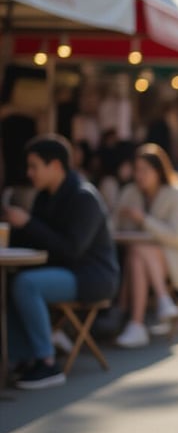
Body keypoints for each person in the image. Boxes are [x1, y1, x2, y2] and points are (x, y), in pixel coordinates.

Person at [3, 134, 119, 388]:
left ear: (55, 165)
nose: (29, 173)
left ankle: (47, 362)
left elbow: (71, 250)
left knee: (26, 284)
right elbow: (38, 242)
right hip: (63, 271)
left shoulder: (84, 197)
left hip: (92, 277)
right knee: (11, 280)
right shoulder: (44, 197)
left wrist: (29, 223)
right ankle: (23, 357)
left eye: (34, 166)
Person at [112, 144, 178, 348]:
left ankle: (136, 321)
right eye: (136, 170)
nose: (140, 175)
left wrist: (143, 219)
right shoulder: (131, 192)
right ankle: (160, 303)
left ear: (159, 170)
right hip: (143, 258)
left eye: (145, 170)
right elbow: (116, 225)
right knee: (137, 254)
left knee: (138, 252)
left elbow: (176, 237)